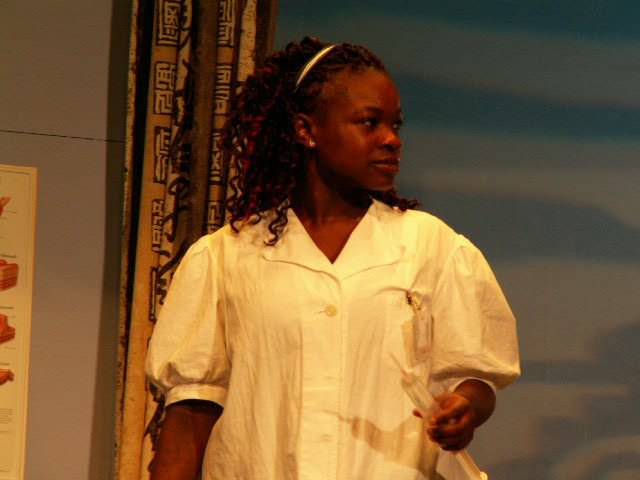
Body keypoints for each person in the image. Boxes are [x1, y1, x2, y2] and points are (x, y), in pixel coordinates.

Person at [145, 37, 520, 480]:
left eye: (396, 125)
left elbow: (476, 377)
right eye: (369, 122)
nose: (391, 140)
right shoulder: (226, 257)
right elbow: (190, 413)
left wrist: (465, 407)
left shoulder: (433, 247)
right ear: (306, 130)